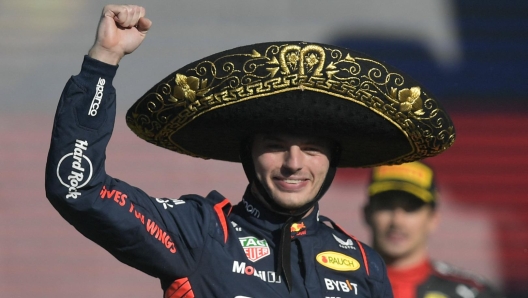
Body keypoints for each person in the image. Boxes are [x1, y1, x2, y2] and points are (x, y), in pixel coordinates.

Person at [45, 4, 456, 297]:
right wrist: (103, 61)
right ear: (247, 154)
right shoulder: (201, 233)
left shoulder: (365, 266)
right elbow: (78, 188)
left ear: (333, 161)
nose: (294, 164)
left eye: (312, 149)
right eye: (275, 147)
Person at [363, 161, 504, 298]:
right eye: (386, 205)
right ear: (367, 213)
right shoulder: (344, 285)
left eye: (411, 207)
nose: (397, 221)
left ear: (433, 219)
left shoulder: (474, 293)